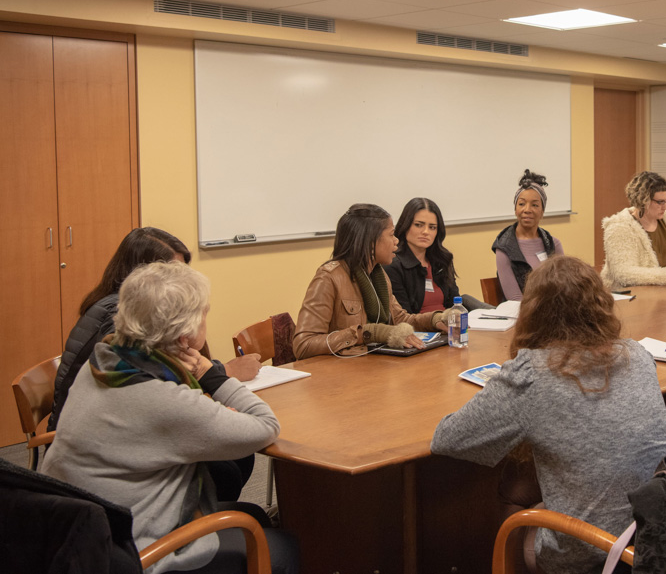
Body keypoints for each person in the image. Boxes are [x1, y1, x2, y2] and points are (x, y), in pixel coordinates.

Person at [41, 261, 298, 574]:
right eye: (205, 314)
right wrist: (210, 374)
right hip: (134, 551)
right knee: (285, 549)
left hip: (80, 531)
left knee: (254, 514)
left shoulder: (106, 358)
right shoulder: (163, 398)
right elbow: (266, 426)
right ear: (184, 338)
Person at [431, 255, 666, 574]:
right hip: (661, 534)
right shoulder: (637, 354)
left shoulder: (532, 373)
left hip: (593, 552)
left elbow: (446, 440)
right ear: (601, 304)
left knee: (513, 489)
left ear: (533, 312)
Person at [50, 227, 262, 431]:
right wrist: (225, 371)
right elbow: (151, 376)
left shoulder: (123, 305)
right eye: (174, 273)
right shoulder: (119, 317)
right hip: (95, 434)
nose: (183, 282)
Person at [294, 203, 446, 359]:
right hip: (344, 374)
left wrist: (436, 319)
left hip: (375, 366)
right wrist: (367, 333)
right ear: (370, 240)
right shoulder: (328, 278)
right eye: (391, 234)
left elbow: (401, 320)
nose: (396, 241)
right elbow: (304, 345)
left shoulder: (379, 275)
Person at [600, 171, 666, 289]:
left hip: (663, 294)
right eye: (660, 202)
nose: (665, 207)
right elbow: (623, 273)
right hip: (629, 296)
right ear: (642, 200)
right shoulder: (619, 227)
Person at [491, 170, 563, 301]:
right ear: (515, 209)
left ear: (542, 212)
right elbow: (515, 299)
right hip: (522, 316)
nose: (527, 210)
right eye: (522, 204)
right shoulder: (503, 247)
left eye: (535, 205)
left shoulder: (554, 244)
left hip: (554, 312)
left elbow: (563, 286)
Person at [384, 198, 459, 315]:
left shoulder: (442, 260)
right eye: (419, 225)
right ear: (406, 225)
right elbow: (403, 317)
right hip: (418, 330)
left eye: (432, 227)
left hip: (447, 327)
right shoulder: (393, 265)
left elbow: (455, 305)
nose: (426, 232)